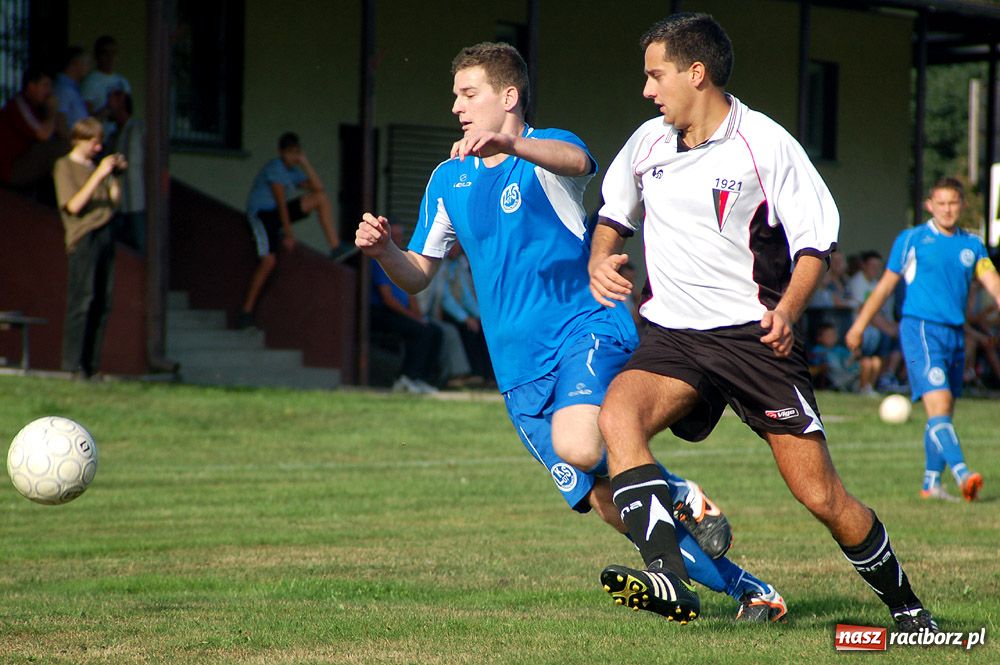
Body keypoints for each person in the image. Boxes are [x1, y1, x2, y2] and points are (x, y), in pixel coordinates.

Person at [356, 41, 788, 622]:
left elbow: (579, 163)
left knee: (583, 444)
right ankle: (749, 591)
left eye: (469, 93)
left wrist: (512, 143)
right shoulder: (448, 178)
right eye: (455, 95)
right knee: (610, 503)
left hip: (584, 333)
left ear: (508, 97)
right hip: (517, 373)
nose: (457, 106)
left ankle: (682, 493)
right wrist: (384, 251)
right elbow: (418, 274)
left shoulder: (544, 155)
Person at [588, 13, 935, 632]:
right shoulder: (646, 144)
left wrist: (788, 313)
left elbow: (815, 245)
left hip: (753, 340)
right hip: (672, 338)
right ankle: (668, 573)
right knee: (618, 416)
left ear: (697, 73)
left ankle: (909, 612)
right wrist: (599, 259)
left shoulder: (766, 144)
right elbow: (615, 215)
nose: (646, 90)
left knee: (820, 496)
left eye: (655, 76)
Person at [846, 177, 1000, 503]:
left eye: (953, 203)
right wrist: (859, 325)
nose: (947, 209)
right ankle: (963, 474)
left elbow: (993, 283)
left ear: (962, 205)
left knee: (942, 413)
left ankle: (931, 484)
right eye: (940, 203)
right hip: (920, 330)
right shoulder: (912, 239)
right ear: (930, 205)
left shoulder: (972, 246)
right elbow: (885, 286)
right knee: (940, 403)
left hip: (955, 335)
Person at [238, 131, 353, 329]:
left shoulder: (293, 171)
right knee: (268, 261)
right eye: (290, 152)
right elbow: (281, 203)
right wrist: (290, 235)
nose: (293, 156)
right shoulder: (275, 168)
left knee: (321, 199)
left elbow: (318, 188)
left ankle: (335, 247)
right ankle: (246, 312)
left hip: (275, 214)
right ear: (282, 152)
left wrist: (305, 163)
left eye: (296, 152)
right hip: (262, 215)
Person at [52, 117, 126, 379]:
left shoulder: (99, 168)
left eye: (100, 143)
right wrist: (99, 174)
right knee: (81, 299)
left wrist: (115, 177)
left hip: (106, 234)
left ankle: (90, 366)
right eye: (94, 142)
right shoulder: (65, 166)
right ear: (79, 139)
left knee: (102, 301)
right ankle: (72, 365)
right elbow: (73, 205)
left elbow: (114, 203)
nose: (98, 148)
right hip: (83, 236)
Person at [371, 224, 443, 394]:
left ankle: (420, 379)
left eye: (400, 236)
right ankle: (405, 378)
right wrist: (413, 317)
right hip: (383, 312)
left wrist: (419, 316)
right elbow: (388, 299)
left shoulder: (404, 259)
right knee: (420, 331)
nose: (397, 239)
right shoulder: (381, 259)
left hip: (403, 313)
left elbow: (412, 294)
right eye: (393, 236)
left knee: (435, 331)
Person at [0, 67, 66, 193]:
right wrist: (52, 112)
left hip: (26, 165)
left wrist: (57, 112)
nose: (49, 92)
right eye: (45, 85)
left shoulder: (40, 108)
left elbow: (65, 135)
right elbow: (43, 135)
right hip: (9, 170)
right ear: (31, 86)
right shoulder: (19, 105)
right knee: (55, 148)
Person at [438, 241, 493, 385]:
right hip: (444, 311)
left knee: (483, 327)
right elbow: (445, 298)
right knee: (468, 329)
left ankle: (488, 375)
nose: (457, 248)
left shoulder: (458, 265)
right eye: (453, 244)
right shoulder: (438, 265)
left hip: (460, 310)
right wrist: (465, 318)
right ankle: (471, 373)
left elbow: (465, 295)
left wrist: (480, 315)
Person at [106, 91, 146, 252]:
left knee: (141, 246)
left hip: (137, 202)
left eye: (111, 102)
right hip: (116, 205)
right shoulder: (113, 135)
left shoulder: (139, 129)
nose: (107, 106)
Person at [81, 35, 131, 141]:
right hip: (98, 141)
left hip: (118, 138)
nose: (110, 57)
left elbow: (128, 113)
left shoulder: (122, 82)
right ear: (97, 55)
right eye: (106, 53)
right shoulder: (90, 82)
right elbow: (86, 119)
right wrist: (108, 108)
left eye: (114, 53)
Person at [809, 323, 859, 392]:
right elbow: (815, 366)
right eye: (828, 336)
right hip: (830, 376)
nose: (831, 338)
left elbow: (848, 362)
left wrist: (854, 355)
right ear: (819, 338)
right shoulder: (817, 350)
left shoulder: (840, 349)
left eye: (833, 335)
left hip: (844, 372)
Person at [53, 46, 91, 133]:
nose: (89, 67)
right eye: (86, 63)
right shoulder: (63, 88)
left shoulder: (74, 87)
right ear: (75, 63)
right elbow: (60, 122)